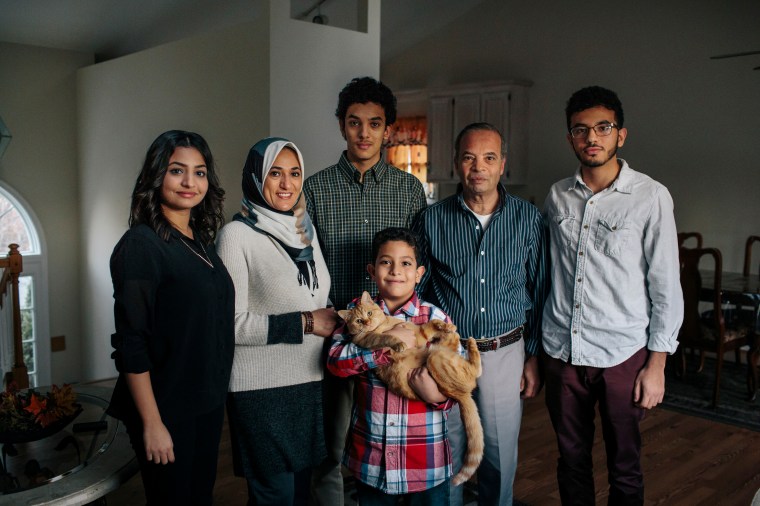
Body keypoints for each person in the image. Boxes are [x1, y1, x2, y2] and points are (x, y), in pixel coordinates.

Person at [542, 86, 683, 506]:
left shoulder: (651, 196)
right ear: (570, 138)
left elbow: (666, 287)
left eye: (603, 128)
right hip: (562, 350)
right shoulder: (556, 196)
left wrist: (656, 365)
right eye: (581, 130)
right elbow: (546, 275)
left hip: (623, 353)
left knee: (624, 462)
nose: (592, 138)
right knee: (570, 459)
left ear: (621, 135)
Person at [303, 76, 427, 504]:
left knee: (394, 441)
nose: (364, 133)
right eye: (354, 122)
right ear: (341, 125)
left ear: (387, 129)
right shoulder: (315, 189)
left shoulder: (409, 190)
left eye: (374, 124)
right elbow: (302, 265)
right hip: (338, 338)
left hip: (395, 337)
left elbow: (414, 262)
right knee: (330, 450)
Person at [413, 122, 549, 505]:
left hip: (506, 351)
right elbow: (417, 294)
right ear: (457, 163)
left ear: (501, 164)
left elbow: (538, 293)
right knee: (448, 455)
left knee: (499, 457)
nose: (479, 167)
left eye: (489, 158)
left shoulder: (528, 220)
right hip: (447, 354)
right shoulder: (431, 220)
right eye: (470, 157)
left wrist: (533, 357)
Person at [108, 130, 234, 505]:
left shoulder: (199, 239)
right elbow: (132, 343)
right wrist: (152, 423)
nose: (189, 182)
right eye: (177, 170)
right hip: (166, 406)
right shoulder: (140, 246)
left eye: (199, 172)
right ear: (156, 174)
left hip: (205, 401)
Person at [216, 137, 338, 505]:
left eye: (295, 173)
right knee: (276, 495)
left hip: (309, 382)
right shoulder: (236, 236)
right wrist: (305, 322)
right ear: (256, 177)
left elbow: (317, 299)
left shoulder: (305, 232)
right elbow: (231, 323)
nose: (287, 184)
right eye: (275, 173)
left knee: (300, 493)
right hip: (262, 392)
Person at [326, 227, 459, 504]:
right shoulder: (355, 313)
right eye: (386, 262)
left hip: (425, 461)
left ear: (419, 273)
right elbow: (336, 362)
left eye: (406, 263)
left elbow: (457, 380)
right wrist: (383, 347)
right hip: (372, 461)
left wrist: (438, 395)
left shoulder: (434, 317)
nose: (396, 270)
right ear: (372, 270)